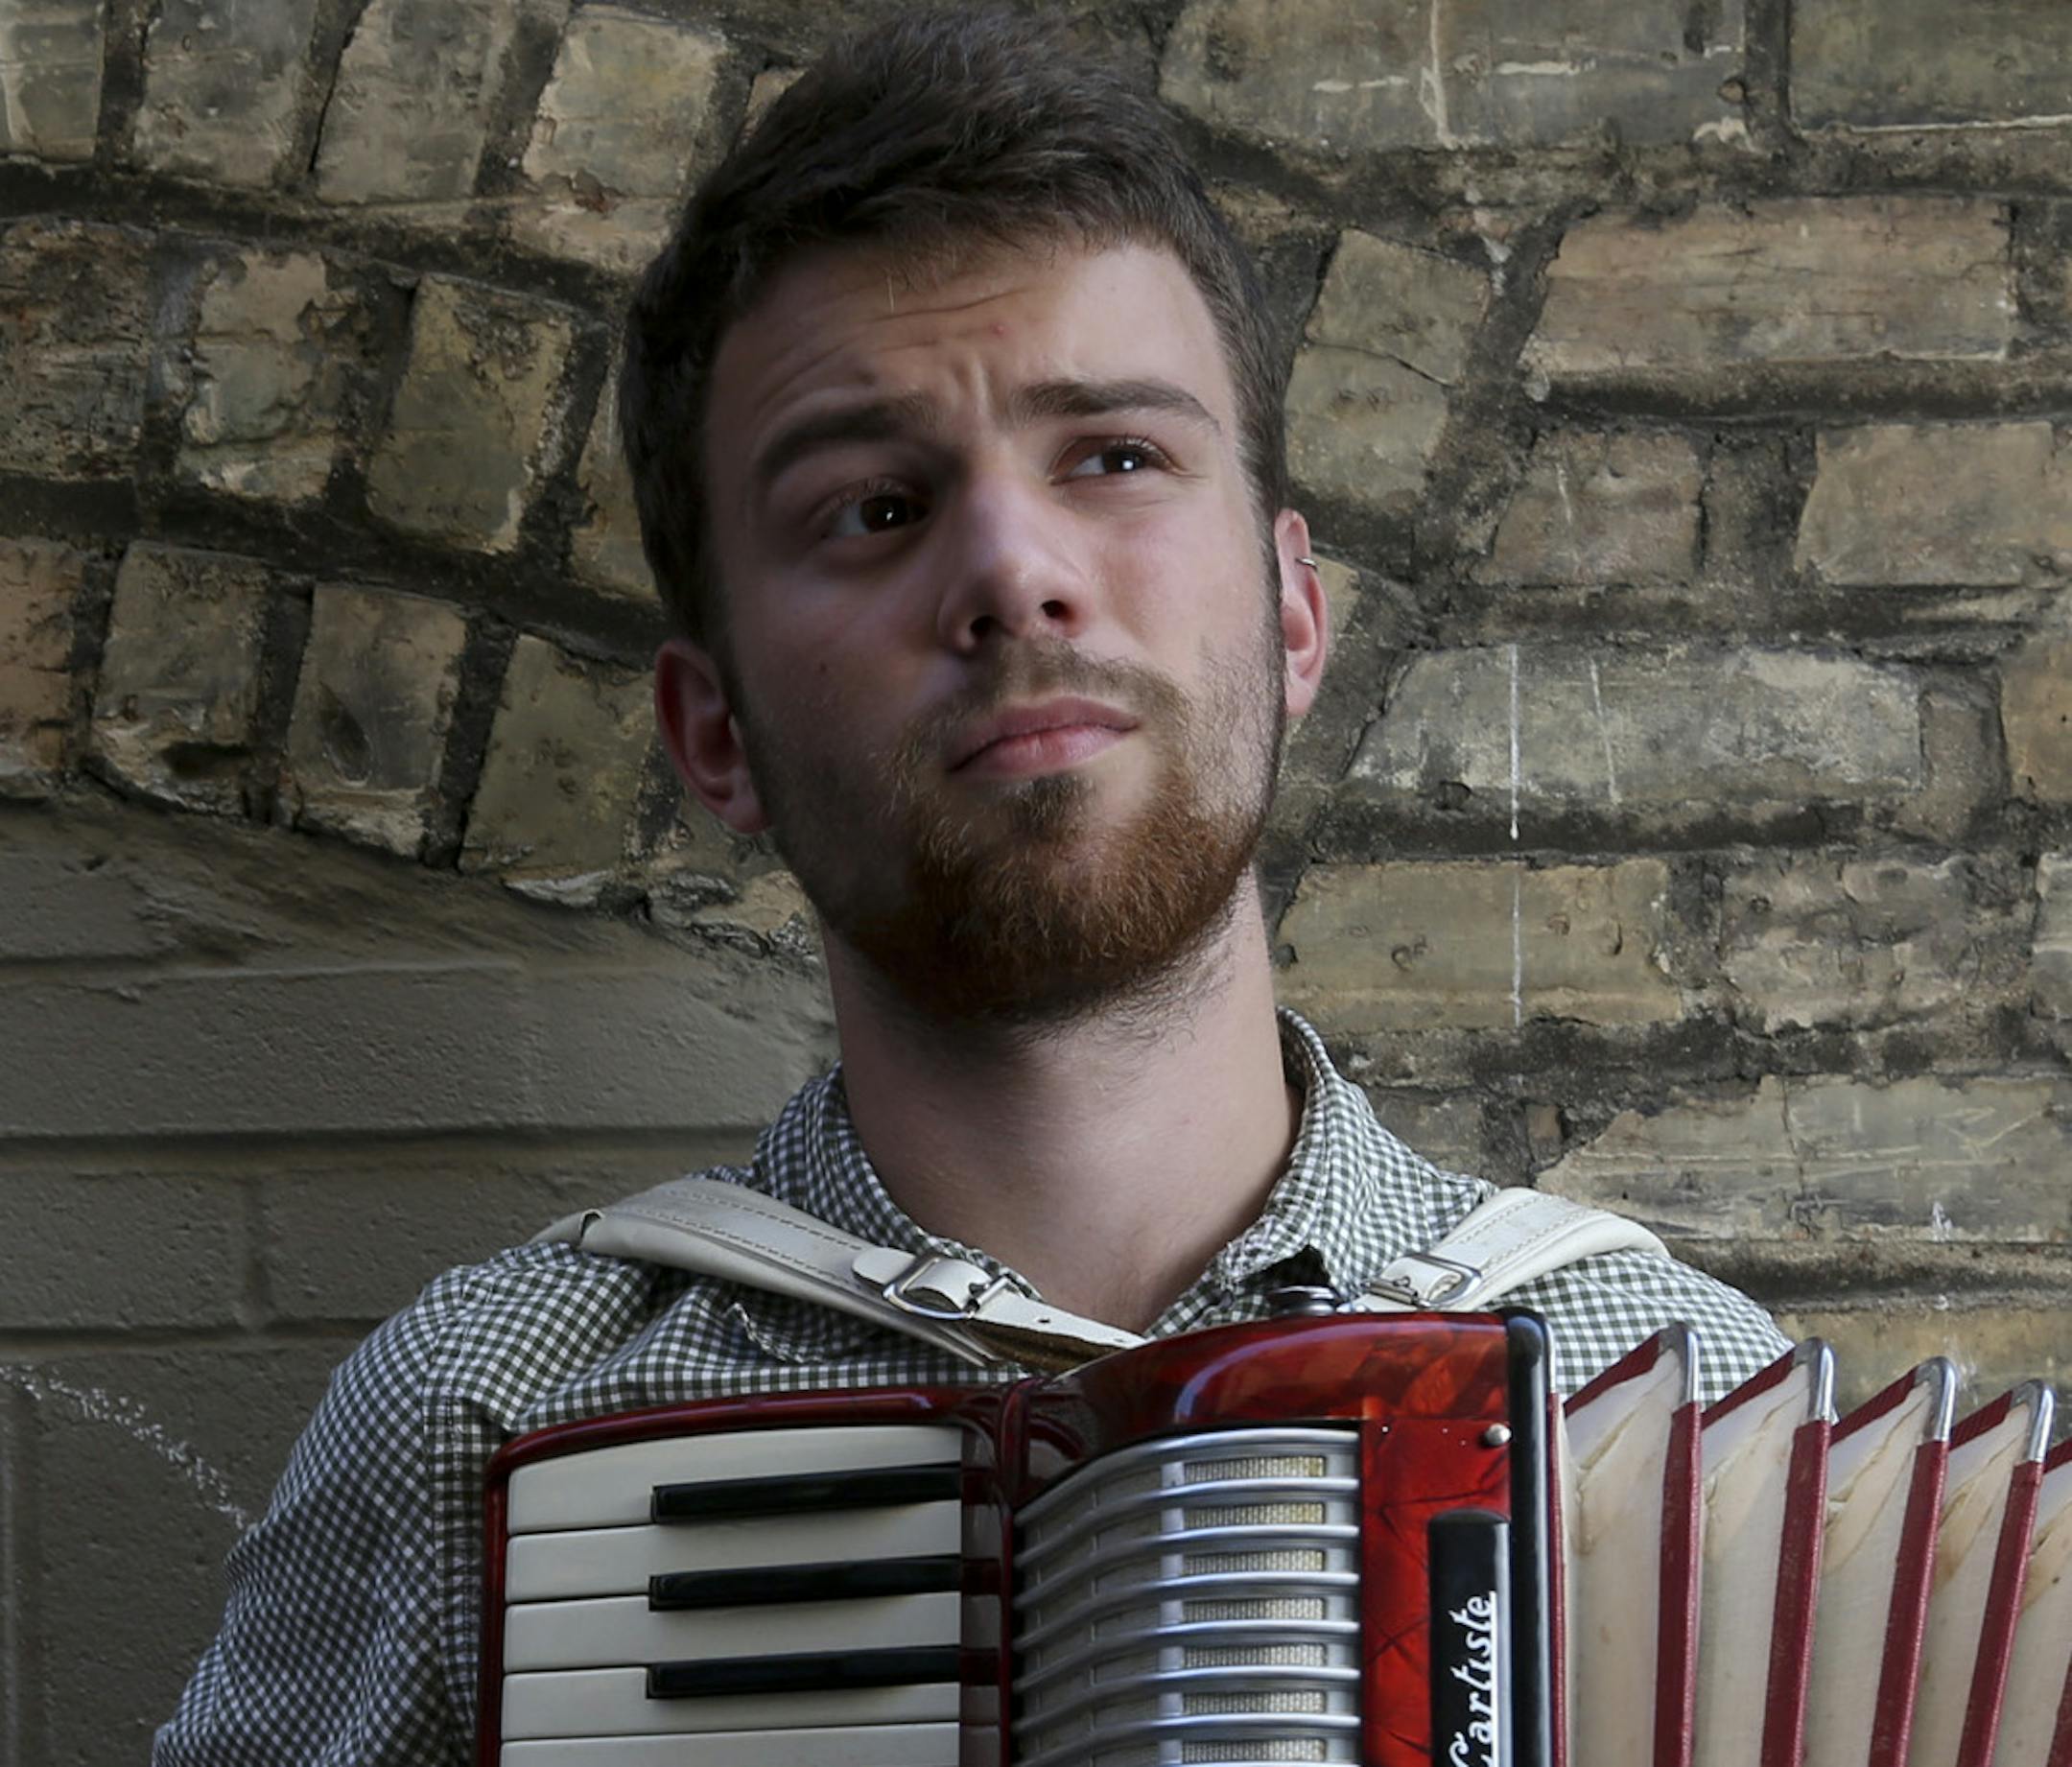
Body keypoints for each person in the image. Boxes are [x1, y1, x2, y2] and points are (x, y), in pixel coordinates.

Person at [156, 8, 1787, 1760]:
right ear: (714, 736)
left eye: (1114, 455)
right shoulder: (487, 1422)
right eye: (871, 505)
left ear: (1295, 616)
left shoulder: (1679, 1403)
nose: (1013, 572)